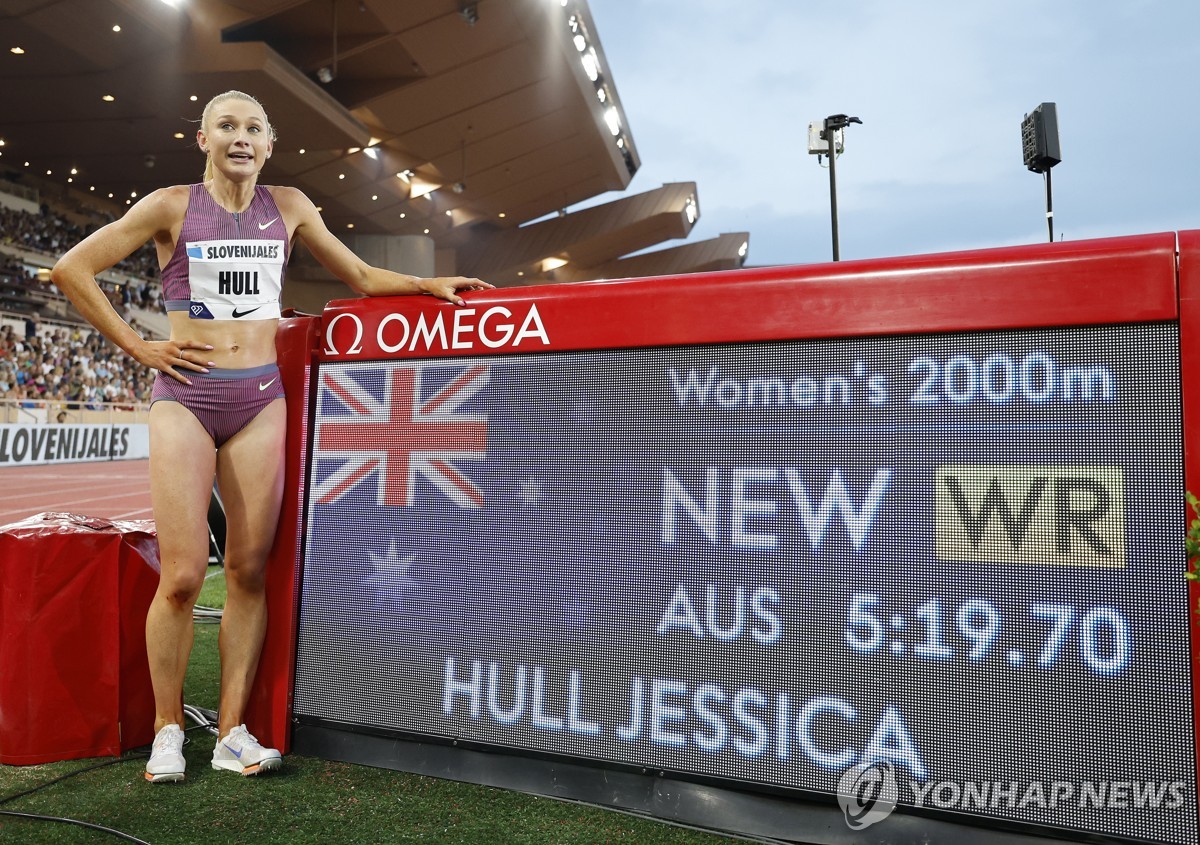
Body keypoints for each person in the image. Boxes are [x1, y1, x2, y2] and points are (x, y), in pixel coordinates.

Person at [51, 90, 493, 783]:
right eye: (226, 125)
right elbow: (71, 267)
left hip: (260, 402)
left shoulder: (287, 207)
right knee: (185, 574)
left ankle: (230, 732)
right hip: (186, 400)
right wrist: (140, 345)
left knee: (249, 572)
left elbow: (360, 275)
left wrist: (425, 283)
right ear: (202, 138)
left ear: (269, 143)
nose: (240, 136)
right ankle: (169, 728)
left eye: (253, 127)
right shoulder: (170, 204)